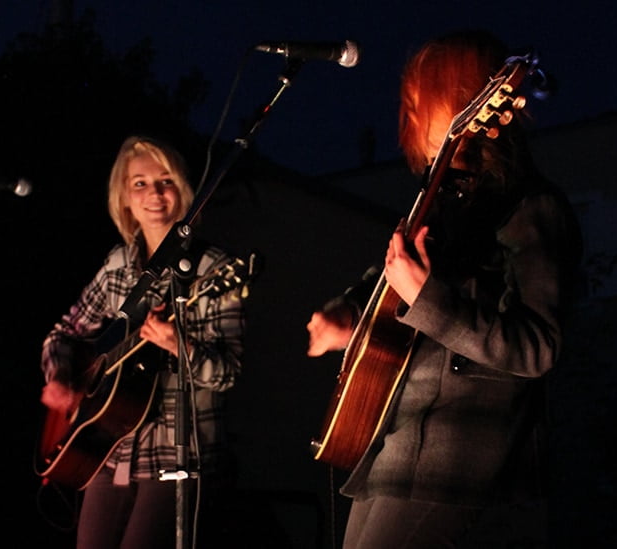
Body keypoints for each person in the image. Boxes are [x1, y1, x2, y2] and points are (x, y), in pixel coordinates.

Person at [306, 30, 582, 548]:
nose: (409, 114)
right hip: (396, 442)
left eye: (422, 99)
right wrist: (348, 314)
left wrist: (426, 297)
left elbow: (537, 346)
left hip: (462, 460)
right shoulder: (441, 205)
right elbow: (386, 280)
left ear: (467, 104)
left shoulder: (529, 208)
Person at [40, 135, 245, 549]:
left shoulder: (212, 270)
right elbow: (63, 334)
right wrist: (62, 376)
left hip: (179, 453)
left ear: (182, 191)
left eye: (165, 180)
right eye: (140, 183)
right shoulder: (117, 266)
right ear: (125, 199)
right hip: (107, 449)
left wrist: (178, 344)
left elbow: (228, 374)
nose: (154, 193)